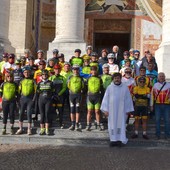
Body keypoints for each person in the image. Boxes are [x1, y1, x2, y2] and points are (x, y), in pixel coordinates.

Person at [100, 73, 134, 147]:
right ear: (113, 79)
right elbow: (106, 99)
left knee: (120, 125)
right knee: (112, 125)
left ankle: (120, 140)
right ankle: (113, 140)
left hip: (122, 111)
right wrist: (105, 110)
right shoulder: (109, 88)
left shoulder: (125, 87)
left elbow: (128, 98)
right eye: (115, 78)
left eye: (118, 78)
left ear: (120, 78)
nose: (117, 79)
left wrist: (128, 109)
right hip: (111, 110)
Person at [15, 67, 36, 135]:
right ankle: (20, 128)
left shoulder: (33, 81)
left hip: (30, 99)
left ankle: (29, 129)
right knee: (21, 114)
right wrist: (18, 100)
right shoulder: (21, 81)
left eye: (28, 72)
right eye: (25, 72)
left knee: (29, 114)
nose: (26, 74)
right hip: (23, 99)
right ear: (23, 73)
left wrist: (33, 100)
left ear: (30, 73)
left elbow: (36, 91)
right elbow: (19, 91)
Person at [150, 72, 170, 139]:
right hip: (157, 105)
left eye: (162, 76)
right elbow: (152, 96)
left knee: (167, 120)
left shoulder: (168, 85)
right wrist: (151, 105)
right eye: (160, 76)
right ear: (158, 78)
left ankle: (167, 135)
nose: (161, 77)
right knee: (157, 120)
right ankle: (157, 135)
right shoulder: (155, 85)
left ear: (164, 77)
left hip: (167, 105)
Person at [35, 69, 54, 135]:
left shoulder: (51, 83)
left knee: (47, 114)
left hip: (48, 100)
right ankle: (42, 129)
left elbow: (53, 91)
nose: (44, 76)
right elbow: (37, 93)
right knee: (42, 114)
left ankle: (47, 129)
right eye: (43, 75)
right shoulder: (39, 83)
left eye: (46, 74)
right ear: (41, 76)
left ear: (48, 75)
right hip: (41, 100)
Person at [49, 64, 67, 129]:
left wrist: (59, 94)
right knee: (52, 110)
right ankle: (50, 123)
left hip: (60, 97)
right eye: (56, 69)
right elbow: (49, 87)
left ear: (60, 70)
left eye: (58, 69)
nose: (57, 70)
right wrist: (53, 94)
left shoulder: (63, 78)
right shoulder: (51, 78)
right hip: (53, 97)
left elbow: (64, 87)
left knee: (60, 111)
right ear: (54, 70)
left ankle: (61, 123)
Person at [86, 66, 103, 131]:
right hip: (90, 96)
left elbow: (101, 88)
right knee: (89, 111)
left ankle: (98, 124)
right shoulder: (88, 78)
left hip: (97, 97)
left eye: (95, 70)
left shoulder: (99, 78)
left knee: (97, 111)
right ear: (90, 71)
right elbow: (85, 87)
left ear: (97, 71)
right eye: (92, 70)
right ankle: (88, 125)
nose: (94, 71)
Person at [67, 64, 84, 131]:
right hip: (71, 95)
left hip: (78, 95)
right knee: (72, 110)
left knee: (77, 110)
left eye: (77, 69)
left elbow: (82, 86)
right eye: (74, 69)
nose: (75, 71)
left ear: (78, 70)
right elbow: (68, 85)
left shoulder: (81, 78)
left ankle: (77, 124)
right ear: (72, 70)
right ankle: (72, 124)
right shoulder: (70, 77)